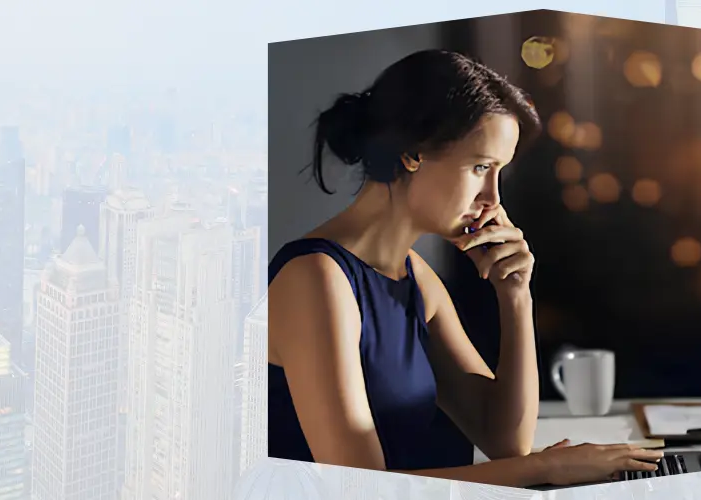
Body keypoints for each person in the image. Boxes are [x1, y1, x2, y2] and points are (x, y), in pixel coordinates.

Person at [266, 49, 662, 488]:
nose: (493, 197)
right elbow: (361, 489)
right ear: (411, 153)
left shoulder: (414, 276)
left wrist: (515, 296)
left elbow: (505, 439)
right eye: (480, 167)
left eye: (499, 172)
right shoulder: (316, 279)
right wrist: (547, 467)